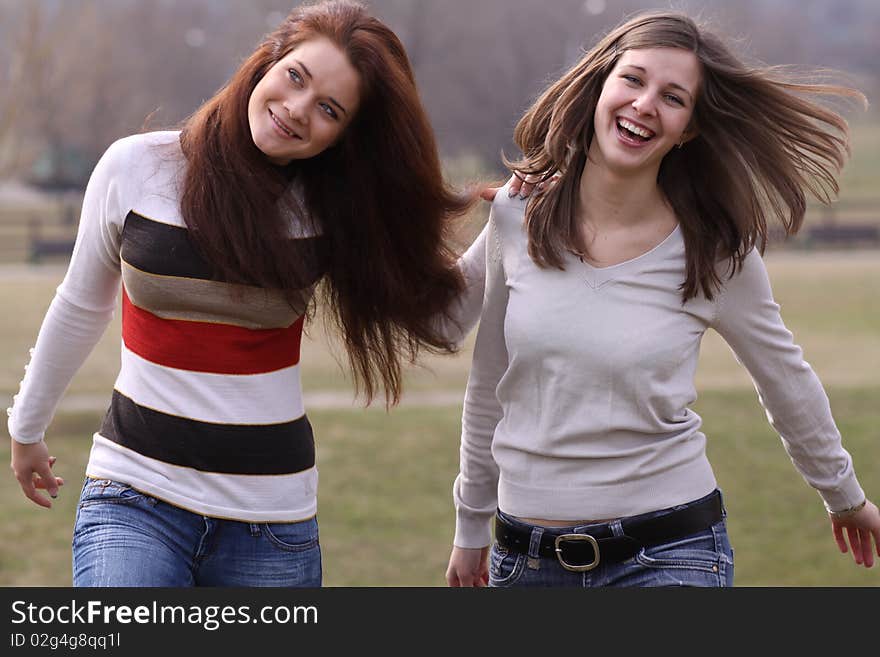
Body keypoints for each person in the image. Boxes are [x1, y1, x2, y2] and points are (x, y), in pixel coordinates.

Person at [8, 0, 487, 587]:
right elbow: (80, 305)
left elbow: (440, 325)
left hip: (270, 523)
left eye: (328, 109)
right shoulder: (136, 167)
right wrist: (27, 427)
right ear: (269, 60)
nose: (296, 109)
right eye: (295, 77)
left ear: (343, 136)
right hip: (133, 496)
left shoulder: (332, 213)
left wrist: (509, 228)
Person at [446, 10, 880, 588]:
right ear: (600, 84)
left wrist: (843, 494)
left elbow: (784, 377)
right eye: (633, 80)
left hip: (671, 553)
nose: (645, 104)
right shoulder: (516, 215)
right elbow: (487, 382)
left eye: (673, 98)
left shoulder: (713, 249)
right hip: (526, 559)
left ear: (688, 130)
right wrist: (470, 524)